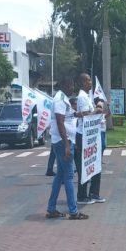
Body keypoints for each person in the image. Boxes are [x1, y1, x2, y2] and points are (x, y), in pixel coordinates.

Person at [46, 78, 88, 220]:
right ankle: (73, 211)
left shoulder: (64, 99)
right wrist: (67, 145)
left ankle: (51, 209)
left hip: (64, 141)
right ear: (64, 85)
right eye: (70, 85)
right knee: (69, 177)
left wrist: (81, 114)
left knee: (59, 176)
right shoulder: (59, 100)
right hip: (63, 142)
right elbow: (60, 122)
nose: (72, 88)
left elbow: (69, 115)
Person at [75, 73, 95, 204]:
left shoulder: (87, 96)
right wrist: (96, 113)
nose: (91, 82)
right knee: (83, 166)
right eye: (88, 81)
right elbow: (84, 114)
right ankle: (81, 196)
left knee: (87, 164)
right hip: (82, 134)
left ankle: (84, 194)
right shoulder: (82, 97)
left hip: (88, 135)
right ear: (83, 82)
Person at [87, 97, 107, 203]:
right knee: (93, 168)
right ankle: (91, 193)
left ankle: (93, 193)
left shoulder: (98, 114)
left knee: (96, 168)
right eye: (100, 105)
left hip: (96, 140)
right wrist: (97, 109)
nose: (101, 107)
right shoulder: (94, 114)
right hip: (93, 142)